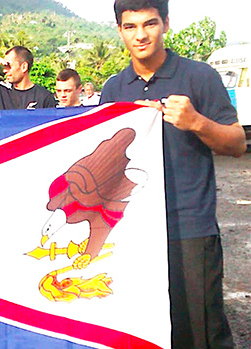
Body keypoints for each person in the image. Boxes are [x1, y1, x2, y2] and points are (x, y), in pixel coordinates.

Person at [100, 1, 246, 348]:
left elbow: (237, 143)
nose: (141, 35)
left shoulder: (199, 77)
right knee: (142, 329)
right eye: (131, 27)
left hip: (189, 229)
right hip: (132, 233)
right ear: (119, 31)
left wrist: (196, 122)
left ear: (166, 23)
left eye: (149, 24)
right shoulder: (113, 90)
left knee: (201, 331)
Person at [0, 46, 56, 110]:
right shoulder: (0, 90)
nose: (5, 70)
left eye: (9, 66)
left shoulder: (44, 96)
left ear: (24, 67)